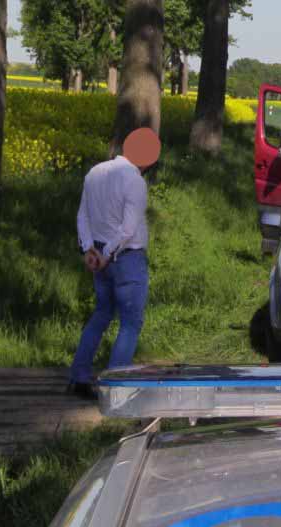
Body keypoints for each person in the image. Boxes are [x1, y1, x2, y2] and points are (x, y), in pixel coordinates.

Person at [69, 127, 160, 397]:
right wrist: (107, 254)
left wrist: (89, 249)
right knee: (130, 323)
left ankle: (79, 376)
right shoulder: (135, 181)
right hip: (126, 258)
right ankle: (115, 387)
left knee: (101, 314)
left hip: (98, 254)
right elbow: (128, 228)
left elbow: (82, 215)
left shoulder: (95, 172)